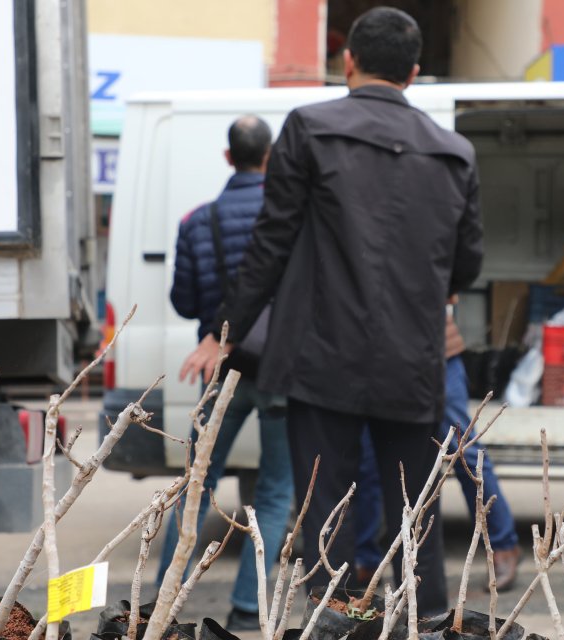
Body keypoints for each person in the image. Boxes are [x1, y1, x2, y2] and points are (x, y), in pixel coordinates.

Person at [183, 7, 483, 617]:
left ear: (349, 62)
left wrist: (224, 333)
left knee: (328, 515)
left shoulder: (309, 128)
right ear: (414, 73)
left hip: (321, 357)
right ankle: (425, 624)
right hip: (413, 358)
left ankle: (332, 623)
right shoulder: (455, 153)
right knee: (416, 515)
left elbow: (270, 243)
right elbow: (467, 264)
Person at [161, 115, 293, 632]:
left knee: (197, 484)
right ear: (271, 157)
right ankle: (247, 607)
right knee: (276, 490)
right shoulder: (291, 217)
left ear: (227, 157)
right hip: (280, 370)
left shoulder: (198, 221)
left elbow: (183, 300)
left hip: (220, 369)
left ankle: (164, 602)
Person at [353, 304, 521, 592]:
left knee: (463, 450)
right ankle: (365, 557)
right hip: (375, 356)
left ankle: (503, 544)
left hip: (433, 349)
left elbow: (457, 277)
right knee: (368, 459)